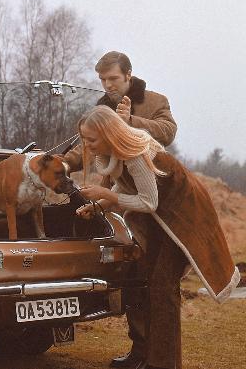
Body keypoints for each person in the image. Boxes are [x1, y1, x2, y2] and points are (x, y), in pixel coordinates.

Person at [75, 105, 239, 369]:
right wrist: (98, 206)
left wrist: (106, 196)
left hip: (183, 213)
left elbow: (148, 201)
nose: (87, 144)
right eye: (84, 138)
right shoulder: (116, 155)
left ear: (108, 134)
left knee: (163, 286)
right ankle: (142, 354)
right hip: (160, 215)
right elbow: (127, 186)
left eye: (91, 139)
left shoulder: (136, 154)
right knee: (144, 280)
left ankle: (163, 363)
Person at [64, 51, 178, 369]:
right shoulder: (101, 108)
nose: (108, 84)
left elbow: (168, 131)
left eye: (113, 78)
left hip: (154, 205)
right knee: (131, 278)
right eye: (102, 80)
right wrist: (60, 164)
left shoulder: (155, 100)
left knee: (154, 282)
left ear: (129, 74)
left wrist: (130, 123)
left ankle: (155, 356)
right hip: (121, 195)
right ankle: (140, 351)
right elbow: (85, 143)